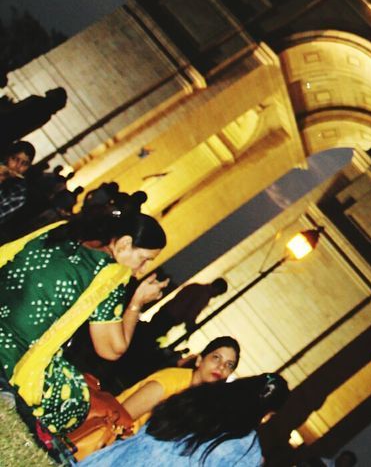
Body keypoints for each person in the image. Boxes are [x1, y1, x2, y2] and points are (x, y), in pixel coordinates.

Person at [0, 187, 168, 435]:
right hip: (9, 356)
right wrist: (136, 303)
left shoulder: (61, 230)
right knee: (78, 397)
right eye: (144, 259)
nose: (141, 269)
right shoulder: (110, 274)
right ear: (123, 244)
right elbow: (112, 349)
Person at [67, 336, 241, 460]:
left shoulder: (204, 402)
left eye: (229, 365)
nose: (220, 366)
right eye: (216, 357)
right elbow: (120, 417)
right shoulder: (171, 381)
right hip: (105, 443)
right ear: (199, 360)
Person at [80, 373, 289, 466]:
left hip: (118, 460)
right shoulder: (247, 450)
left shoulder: (201, 395)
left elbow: (152, 427)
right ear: (269, 414)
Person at [0, 140, 36, 225]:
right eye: (15, 159)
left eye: (24, 163)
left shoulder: (19, 192)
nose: (17, 167)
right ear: (7, 157)